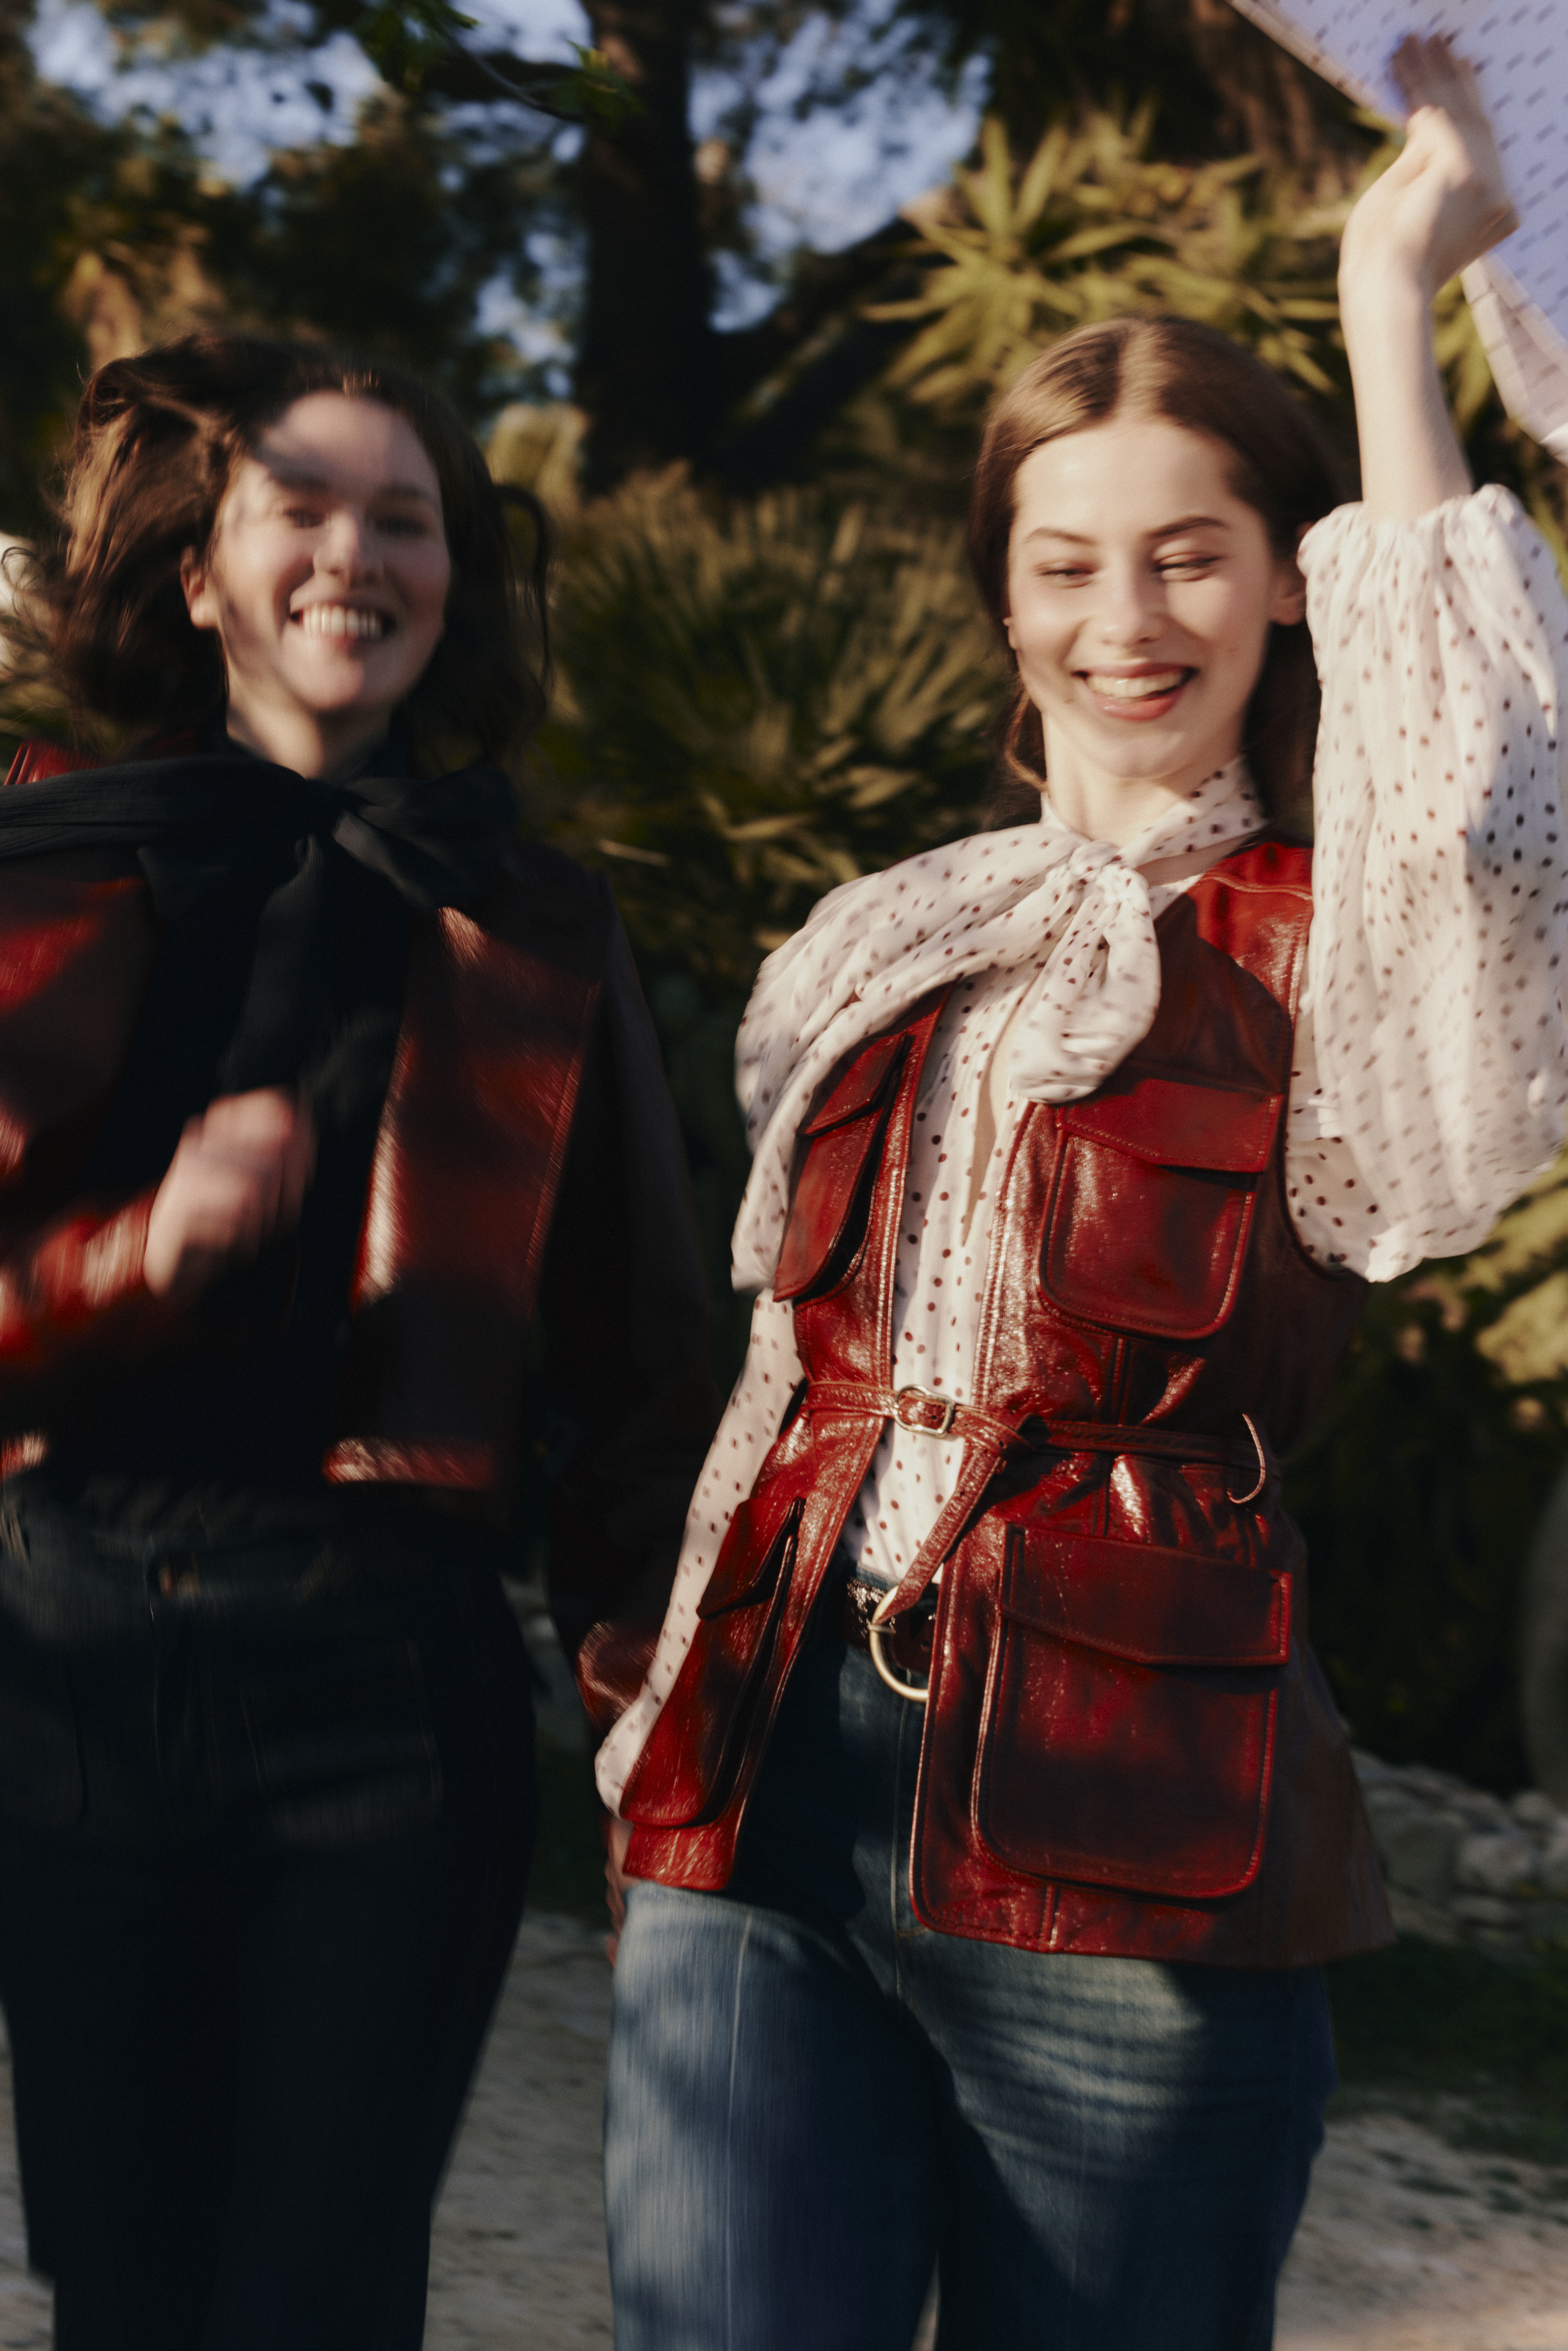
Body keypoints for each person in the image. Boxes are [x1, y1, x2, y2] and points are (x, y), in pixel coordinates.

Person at [593, 36, 1568, 2351]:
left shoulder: (1349, 964)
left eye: (1188, 556)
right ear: (1000, 595)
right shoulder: (872, 933)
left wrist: (1375, 306)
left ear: (1288, 588)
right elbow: (769, 1367)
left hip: (1129, 1825)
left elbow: (1499, 840)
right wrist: (655, 1732)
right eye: (1065, 562)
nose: (1122, 616)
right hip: (758, 1794)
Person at [0, 331, 713, 2350]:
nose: (356, 554)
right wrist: (139, 1256)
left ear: (453, 582)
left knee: (319, 2301)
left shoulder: (541, 924)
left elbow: (644, 1378)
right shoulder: (35, 870)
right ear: (202, 574)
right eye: (299, 508)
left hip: (386, 1691)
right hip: (68, 1671)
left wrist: (663, 1743)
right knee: (125, 2296)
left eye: (406, 519)